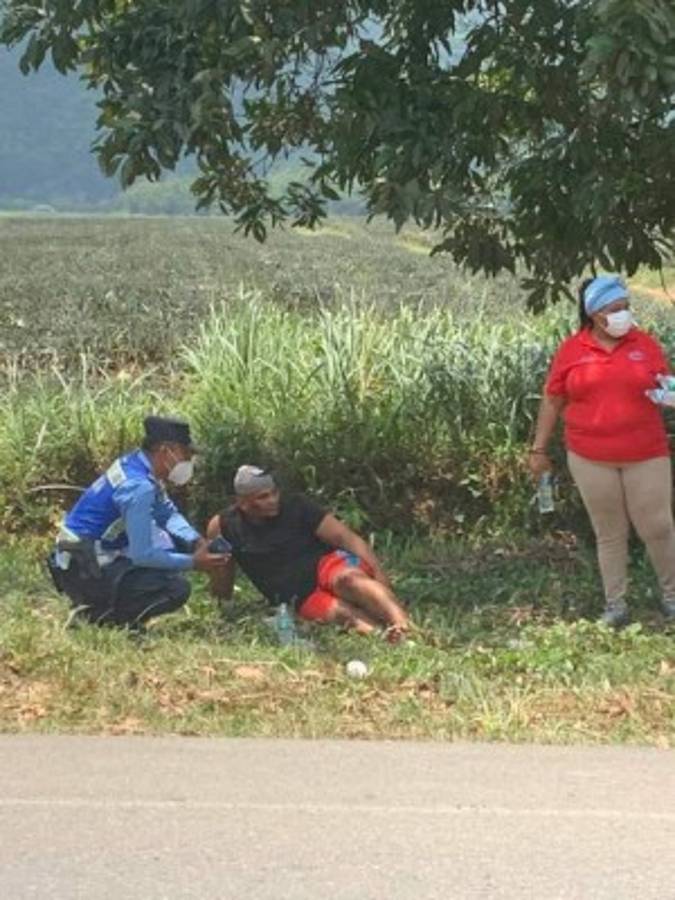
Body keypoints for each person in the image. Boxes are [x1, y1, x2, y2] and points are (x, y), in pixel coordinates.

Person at [529, 274, 675, 627]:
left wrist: (668, 394)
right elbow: (553, 399)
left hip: (646, 452)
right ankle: (616, 605)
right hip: (590, 455)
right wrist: (538, 449)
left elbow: (665, 382)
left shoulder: (646, 345)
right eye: (614, 309)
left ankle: (671, 597)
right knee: (608, 530)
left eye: (626, 307)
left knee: (657, 525)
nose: (623, 315)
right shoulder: (572, 351)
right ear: (595, 315)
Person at [48, 415, 229, 629]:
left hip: (82, 556)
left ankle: (107, 605)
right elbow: (142, 554)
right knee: (176, 589)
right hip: (84, 567)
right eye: (186, 454)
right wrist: (194, 562)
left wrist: (196, 541)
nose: (189, 461)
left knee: (178, 544)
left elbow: (166, 513)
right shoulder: (138, 487)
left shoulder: (136, 465)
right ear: (166, 450)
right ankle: (98, 616)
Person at [206, 466, 410, 640]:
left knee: (351, 580)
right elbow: (221, 570)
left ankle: (403, 625)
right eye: (263, 497)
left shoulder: (297, 506)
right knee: (343, 615)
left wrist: (380, 577)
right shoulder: (224, 526)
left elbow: (346, 538)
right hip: (297, 595)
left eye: (274, 493)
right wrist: (224, 608)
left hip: (325, 566)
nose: (272, 500)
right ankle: (387, 637)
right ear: (243, 502)